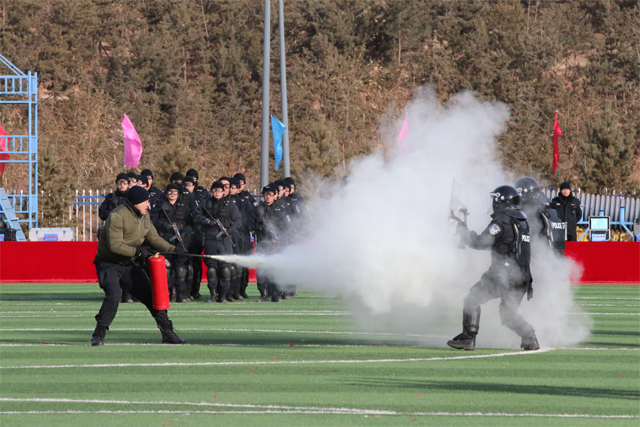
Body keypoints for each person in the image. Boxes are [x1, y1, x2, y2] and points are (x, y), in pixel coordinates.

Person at [91, 186, 187, 346]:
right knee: (114, 295)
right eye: (146, 201)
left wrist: (175, 250)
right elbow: (115, 246)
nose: (148, 205)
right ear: (136, 202)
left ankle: (167, 333)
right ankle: (98, 333)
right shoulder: (116, 216)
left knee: (151, 296)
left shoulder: (145, 216)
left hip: (128, 263)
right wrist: (139, 252)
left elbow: (154, 238)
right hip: (109, 264)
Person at [448, 185, 539, 351]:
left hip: (503, 274)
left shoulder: (502, 221)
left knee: (472, 300)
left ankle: (468, 338)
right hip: (523, 276)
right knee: (508, 314)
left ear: (500, 201)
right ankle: (530, 337)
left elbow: (480, 242)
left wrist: (463, 231)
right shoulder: (522, 221)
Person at [194, 181, 242, 303]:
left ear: (223, 192)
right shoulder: (206, 203)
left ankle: (224, 295)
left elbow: (238, 221)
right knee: (211, 268)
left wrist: (228, 230)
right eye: (215, 190)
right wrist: (208, 222)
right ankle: (213, 295)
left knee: (226, 268)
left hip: (225, 239)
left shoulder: (230, 205)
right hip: (211, 239)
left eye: (219, 190)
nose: (217, 192)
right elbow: (196, 217)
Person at [151, 183, 193, 303]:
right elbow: (153, 222)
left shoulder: (184, 207)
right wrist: (165, 225)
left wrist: (184, 233)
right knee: (166, 268)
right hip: (165, 239)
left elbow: (191, 224)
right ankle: (169, 293)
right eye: (170, 192)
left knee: (181, 268)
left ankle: (181, 294)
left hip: (181, 241)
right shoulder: (160, 207)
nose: (172, 194)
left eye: (175, 192)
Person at [254, 184, 289, 302]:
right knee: (262, 269)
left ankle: (276, 293)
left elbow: (286, 225)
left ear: (275, 195)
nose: (268, 197)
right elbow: (252, 223)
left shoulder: (281, 208)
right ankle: (264, 294)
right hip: (263, 241)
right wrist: (263, 229)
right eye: (265, 194)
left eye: (270, 194)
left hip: (277, 242)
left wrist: (278, 236)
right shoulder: (259, 208)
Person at [515, 177, 566, 255]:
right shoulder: (550, 207)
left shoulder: (534, 211)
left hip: (540, 255)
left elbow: (528, 234)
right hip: (556, 255)